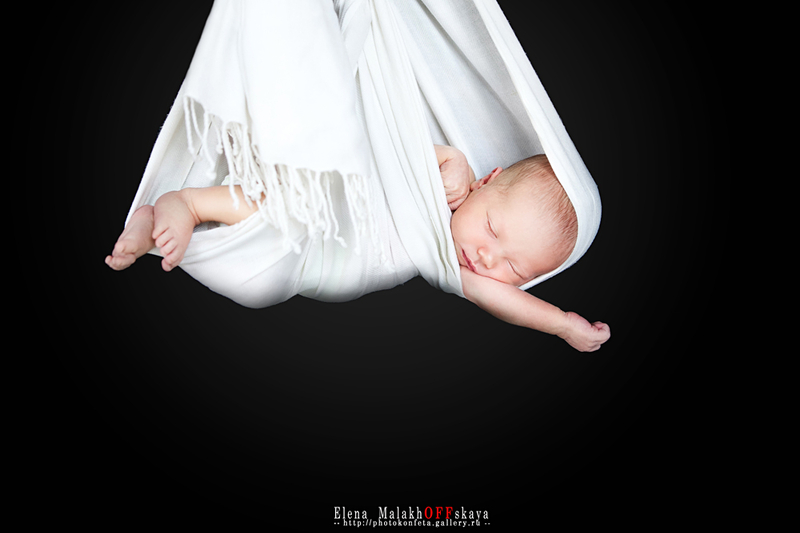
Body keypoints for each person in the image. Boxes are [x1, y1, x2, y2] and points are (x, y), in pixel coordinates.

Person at [106, 144, 610, 352]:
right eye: (493, 231)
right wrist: (452, 159)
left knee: (255, 286)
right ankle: (187, 204)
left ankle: (157, 229)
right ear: (487, 181)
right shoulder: (445, 187)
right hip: (323, 207)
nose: (486, 257)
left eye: (513, 267)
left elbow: (504, 300)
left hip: (312, 265)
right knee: (278, 206)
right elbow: (393, 143)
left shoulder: (451, 264)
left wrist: (563, 324)